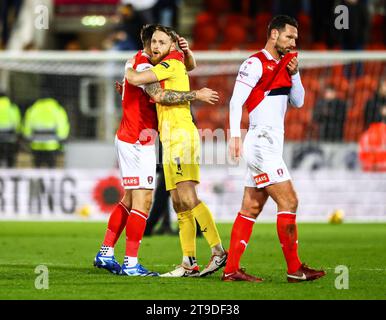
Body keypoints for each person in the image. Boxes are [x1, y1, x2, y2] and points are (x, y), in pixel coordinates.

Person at [94, 24, 219, 276]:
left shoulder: (149, 62)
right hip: (138, 139)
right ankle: (131, 263)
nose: (157, 46)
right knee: (147, 200)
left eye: (162, 42)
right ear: (148, 44)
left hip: (145, 137)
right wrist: (129, 75)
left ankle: (106, 252)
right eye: (155, 42)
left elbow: (184, 67)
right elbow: (159, 94)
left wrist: (186, 52)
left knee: (135, 200)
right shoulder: (142, 65)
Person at [225, 15, 326, 282]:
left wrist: (296, 73)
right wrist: (235, 136)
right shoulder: (254, 63)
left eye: (295, 38)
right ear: (273, 35)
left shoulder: (284, 65)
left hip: (270, 143)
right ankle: (295, 270)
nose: (293, 42)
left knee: (251, 208)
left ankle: (231, 269)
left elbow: (299, 101)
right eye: (289, 37)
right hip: (261, 142)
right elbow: (236, 102)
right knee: (289, 200)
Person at [23, 97, 69, 168]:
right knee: (51, 170)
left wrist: (29, 138)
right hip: (52, 145)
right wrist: (61, 139)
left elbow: (27, 127)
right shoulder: (57, 110)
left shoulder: (32, 110)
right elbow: (62, 127)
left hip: (36, 145)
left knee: (37, 170)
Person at [0, 92, 21, 167]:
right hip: (9, 137)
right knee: (10, 157)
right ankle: (10, 170)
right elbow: (17, 123)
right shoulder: (12, 107)